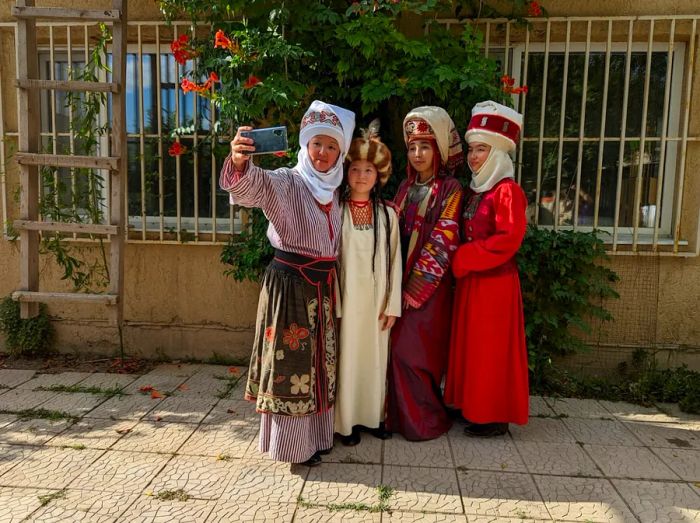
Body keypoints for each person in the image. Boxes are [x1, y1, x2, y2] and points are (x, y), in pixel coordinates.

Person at [219, 100, 355, 465]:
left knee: (320, 365)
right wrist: (238, 162)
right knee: (293, 368)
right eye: (315, 144)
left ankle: (319, 437)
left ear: (341, 151)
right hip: (291, 286)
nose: (322, 153)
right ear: (304, 145)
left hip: (322, 288)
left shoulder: (337, 190)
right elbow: (253, 188)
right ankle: (293, 447)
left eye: (331, 146)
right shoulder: (288, 181)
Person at [444, 100, 529, 437]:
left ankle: (492, 416)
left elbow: (509, 239)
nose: (473, 157)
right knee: (472, 348)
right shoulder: (478, 190)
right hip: (473, 283)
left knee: (490, 351)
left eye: (481, 149)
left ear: (497, 152)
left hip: (495, 285)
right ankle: (473, 406)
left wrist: (464, 258)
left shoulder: (507, 191)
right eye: (472, 150)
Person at [385, 106, 464, 441]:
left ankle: (424, 421)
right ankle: (396, 419)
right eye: (413, 147)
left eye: (425, 146)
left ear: (439, 150)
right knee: (393, 351)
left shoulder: (451, 190)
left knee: (412, 354)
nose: (418, 154)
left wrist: (416, 287)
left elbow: (444, 240)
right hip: (398, 282)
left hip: (430, 288)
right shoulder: (403, 186)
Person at [334, 121, 402, 447]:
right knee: (348, 361)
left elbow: (395, 262)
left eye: (369, 171)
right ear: (346, 173)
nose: (362, 176)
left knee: (376, 361)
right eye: (356, 169)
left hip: (376, 303)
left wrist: (393, 305)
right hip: (346, 301)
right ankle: (346, 423)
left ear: (379, 177)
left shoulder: (388, 216)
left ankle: (374, 417)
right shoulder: (335, 212)